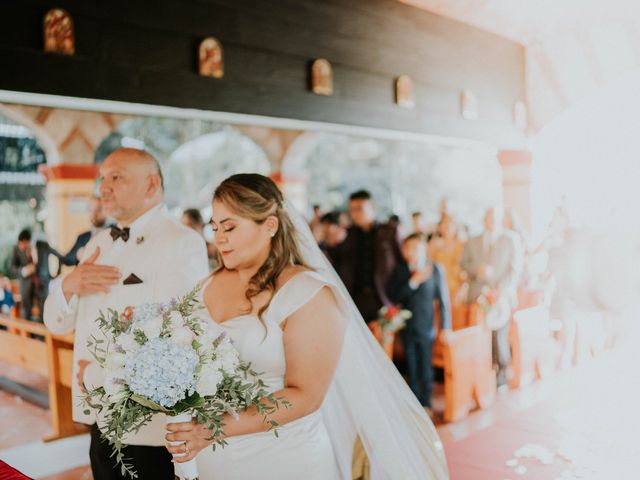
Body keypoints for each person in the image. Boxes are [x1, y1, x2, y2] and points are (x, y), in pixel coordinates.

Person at [165, 174, 448, 479]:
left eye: (230, 227)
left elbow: (306, 395)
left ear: (270, 226)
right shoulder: (206, 285)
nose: (219, 238)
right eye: (216, 227)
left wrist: (214, 429)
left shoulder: (308, 294)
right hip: (209, 461)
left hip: (282, 461)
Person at [43, 148, 208, 480]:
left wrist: (97, 375)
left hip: (149, 428)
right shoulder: (97, 244)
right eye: (103, 178)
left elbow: (181, 339)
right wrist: (68, 284)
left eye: (116, 177)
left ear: (152, 184)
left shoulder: (181, 242)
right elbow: (57, 322)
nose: (104, 187)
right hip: (101, 421)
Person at [388, 233, 451, 412]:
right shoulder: (400, 270)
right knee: (412, 367)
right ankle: (415, 404)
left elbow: (443, 300)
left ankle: (427, 402)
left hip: (427, 326)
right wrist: (413, 282)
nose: (410, 252)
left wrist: (446, 326)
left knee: (426, 367)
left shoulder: (435, 269)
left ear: (424, 249)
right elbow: (395, 296)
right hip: (407, 327)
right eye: (407, 248)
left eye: (415, 248)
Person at [460, 207, 521, 386]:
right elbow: (463, 265)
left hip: (501, 296)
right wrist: (477, 271)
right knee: (478, 335)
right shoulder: (473, 241)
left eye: (495, 217)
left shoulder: (510, 240)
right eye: (488, 216)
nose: (491, 220)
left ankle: (501, 371)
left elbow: (514, 271)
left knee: (499, 335)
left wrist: (498, 291)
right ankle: (480, 371)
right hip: (478, 295)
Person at [334, 190, 402, 323]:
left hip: (382, 298)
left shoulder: (389, 231)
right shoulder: (347, 234)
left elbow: (400, 263)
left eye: (360, 208)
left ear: (372, 207)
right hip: (354, 299)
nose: (355, 213)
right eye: (352, 209)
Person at [58, 196, 108, 266]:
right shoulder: (83, 237)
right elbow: (67, 260)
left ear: (107, 211)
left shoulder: (116, 233)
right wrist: (77, 255)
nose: (94, 214)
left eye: (98, 210)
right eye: (91, 210)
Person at [429, 213, 465, 304]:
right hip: (438, 288)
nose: (447, 227)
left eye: (450, 224)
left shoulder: (462, 244)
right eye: (444, 224)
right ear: (440, 227)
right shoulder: (434, 244)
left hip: (457, 289)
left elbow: (466, 269)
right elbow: (428, 267)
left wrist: (461, 289)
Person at [10, 229, 38, 321]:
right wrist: (23, 270)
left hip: (37, 283)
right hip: (25, 283)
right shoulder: (16, 249)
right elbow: (12, 267)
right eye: (21, 243)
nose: (23, 246)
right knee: (26, 309)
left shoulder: (34, 248)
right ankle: (27, 332)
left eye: (25, 243)